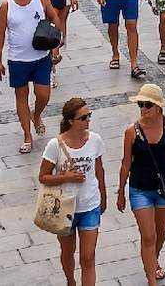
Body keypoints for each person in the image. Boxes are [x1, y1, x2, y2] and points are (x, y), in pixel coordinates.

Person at [117, 84, 165, 286]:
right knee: (148, 236)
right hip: (139, 188)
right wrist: (120, 192)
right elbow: (126, 163)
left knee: (160, 234)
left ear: (158, 106)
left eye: (147, 105)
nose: (143, 109)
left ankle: (153, 260)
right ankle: (151, 280)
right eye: (140, 104)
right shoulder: (131, 131)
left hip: (164, 187)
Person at [39, 98, 106, 286]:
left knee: (88, 257)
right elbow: (43, 176)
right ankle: (71, 281)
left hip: (90, 205)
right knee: (68, 253)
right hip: (65, 208)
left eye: (89, 115)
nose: (88, 120)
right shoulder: (56, 145)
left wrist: (104, 195)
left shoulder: (95, 140)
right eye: (83, 117)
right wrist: (67, 177)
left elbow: (99, 171)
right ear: (71, 121)